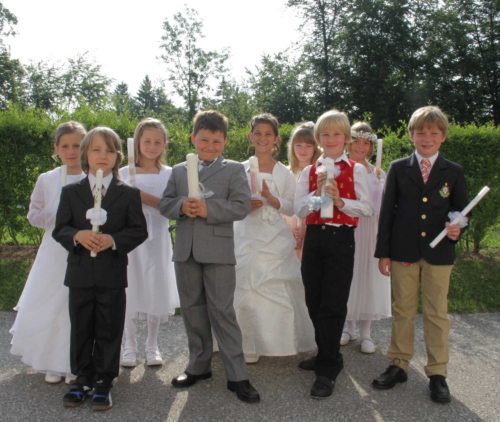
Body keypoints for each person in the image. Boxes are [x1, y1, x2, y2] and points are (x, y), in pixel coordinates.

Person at [159, 110, 260, 404]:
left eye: (216, 141)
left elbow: (241, 206)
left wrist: (207, 209)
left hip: (218, 251)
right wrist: (181, 206)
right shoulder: (178, 171)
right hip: (186, 250)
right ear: (194, 138)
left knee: (222, 310)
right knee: (192, 309)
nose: (210, 145)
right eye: (204, 140)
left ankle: (237, 374)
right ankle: (198, 365)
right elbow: (165, 204)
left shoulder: (232, 171)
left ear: (225, 142)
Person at [372, 106, 468, 404]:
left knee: (436, 312)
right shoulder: (400, 168)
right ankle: (398, 363)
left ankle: (437, 373)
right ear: (411, 134)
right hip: (403, 250)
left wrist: (457, 228)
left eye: (434, 132)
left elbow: (461, 212)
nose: (427, 137)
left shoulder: (453, 171)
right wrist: (384, 253)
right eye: (421, 132)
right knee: (403, 308)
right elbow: (387, 213)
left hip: (440, 253)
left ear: (443, 137)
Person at [53, 127, 148, 411]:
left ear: (117, 157)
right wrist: (77, 236)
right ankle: (81, 377)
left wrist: (114, 240)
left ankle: (104, 380)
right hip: (80, 271)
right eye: (96, 149)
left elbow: (138, 230)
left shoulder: (128, 193)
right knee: (81, 325)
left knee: (109, 325)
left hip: (111, 272)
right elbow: (60, 229)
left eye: (108, 150)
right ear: (85, 155)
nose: (102, 155)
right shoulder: (71, 192)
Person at [294, 109, 373, 399]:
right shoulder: (309, 170)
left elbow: (367, 207)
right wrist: (317, 197)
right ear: (318, 138)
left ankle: (327, 368)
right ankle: (328, 352)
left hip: (341, 239)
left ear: (346, 137)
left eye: (336, 134)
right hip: (314, 238)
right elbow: (297, 208)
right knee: (313, 299)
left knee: (334, 302)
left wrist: (340, 201)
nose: (330, 139)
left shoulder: (357, 169)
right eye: (324, 134)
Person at [233, 114, 315, 364]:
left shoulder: (283, 173)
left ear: (276, 139)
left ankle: (279, 341)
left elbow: (291, 207)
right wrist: (245, 206)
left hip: (274, 236)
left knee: (277, 285)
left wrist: (271, 198)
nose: (262, 138)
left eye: (268, 134)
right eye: (258, 133)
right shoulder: (240, 169)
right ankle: (247, 343)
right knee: (244, 285)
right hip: (246, 232)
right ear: (250, 136)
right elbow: (231, 203)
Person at [10, 121, 86, 384]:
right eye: (65, 146)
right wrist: (54, 217)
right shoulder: (47, 178)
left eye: (77, 145)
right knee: (51, 303)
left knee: (76, 304)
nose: (71, 151)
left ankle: (76, 360)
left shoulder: (93, 177)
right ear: (56, 149)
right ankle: (53, 361)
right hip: (53, 250)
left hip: (82, 249)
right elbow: (33, 214)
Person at [119, 118, 179, 368]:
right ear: (137, 142)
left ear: (164, 144)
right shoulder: (123, 173)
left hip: (157, 238)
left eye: (157, 142)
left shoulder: (171, 174)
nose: (152, 146)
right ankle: (128, 345)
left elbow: (172, 207)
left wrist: (142, 197)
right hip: (130, 240)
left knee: (155, 287)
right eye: (147, 141)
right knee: (129, 287)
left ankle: (152, 344)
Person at [341, 122, 391, 353]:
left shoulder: (378, 173)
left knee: (369, 277)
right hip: (349, 227)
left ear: (371, 146)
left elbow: (386, 206)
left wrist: (382, 185)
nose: (360, 146)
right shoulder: (342, 168)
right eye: (356, 141)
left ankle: (366, 332)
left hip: (371, 230)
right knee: (348, 276)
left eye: (365, 143)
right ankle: (347, 326)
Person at [285, 121, 321, 258]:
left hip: (312, 230)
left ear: (315, 148)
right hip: (286, 229)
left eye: (308, 146)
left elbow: (319, 201)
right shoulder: (285, 172)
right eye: (298, 145)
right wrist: (293, 227)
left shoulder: (319, 173)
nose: (303, 150)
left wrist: (303, 228)